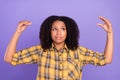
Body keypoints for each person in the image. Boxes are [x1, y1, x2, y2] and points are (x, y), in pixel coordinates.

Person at [4, 15, 114, 80]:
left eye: (63, 29)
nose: (58, 33)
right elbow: (9, 58)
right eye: (54, 29)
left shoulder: (78, 51)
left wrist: (109, 34)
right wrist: (17, 32)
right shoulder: (40, 50)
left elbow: (106, 59)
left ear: (69, 31)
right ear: (49, 31)